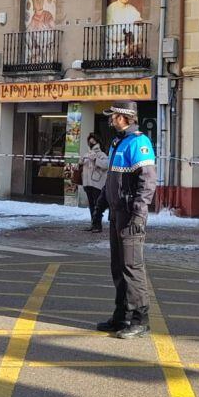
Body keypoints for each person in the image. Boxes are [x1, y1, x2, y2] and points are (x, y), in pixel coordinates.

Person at [96, 103, 157, 339]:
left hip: (130, 214)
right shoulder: (116, 143)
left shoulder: (139, 143)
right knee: (118, 267)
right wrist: (100, 204)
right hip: (116, 213)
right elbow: (112, 179)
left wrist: (139, 213)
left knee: (132, 267)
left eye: (113, 116)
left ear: (124, 117)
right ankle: (120, 316)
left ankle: (140, 319)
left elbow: (148, 182)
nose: (111, 120)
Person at [80, 134, 109, 232]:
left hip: (97, 184)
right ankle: (93, 224)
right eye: (89, 141)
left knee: (98, 205)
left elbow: (106, 165)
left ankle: (98, 226)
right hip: (88, 183)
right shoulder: (87, 153)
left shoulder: (101, 154)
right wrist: (81, 162)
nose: (91, 143)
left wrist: (95, 160)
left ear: (97, 142)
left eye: (93, 141)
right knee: (91, 205)